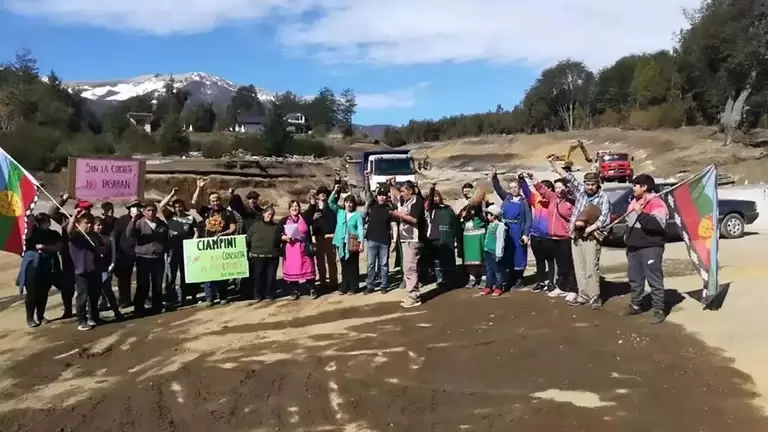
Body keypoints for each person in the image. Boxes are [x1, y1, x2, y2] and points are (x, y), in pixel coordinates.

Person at [549, 157, 611, 309]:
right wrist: (554, 164)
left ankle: (594, 296)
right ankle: (583, 295)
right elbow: (568, 178)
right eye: (587, 184)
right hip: (576, 236)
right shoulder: (581, 193)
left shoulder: (603, 197)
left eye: (593, 184)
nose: (589, 187)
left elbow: (605, 218)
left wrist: (592, 228)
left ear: (598, 184)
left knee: (591, 267)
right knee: (580, 268)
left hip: (591, 236)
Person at [623, 174, 669, 324]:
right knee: (635, 278)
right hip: (633, 246)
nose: (633, 188)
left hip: (650, 247)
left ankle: (658, 310)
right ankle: (635, 304)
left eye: (635, 185)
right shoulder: (634, 201)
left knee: (654, 279)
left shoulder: (657, 203)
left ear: (644, 187)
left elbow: (657, 225)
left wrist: (640, 213)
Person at [192, 178, 238, 306]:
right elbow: (194, 203)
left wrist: (222, 234)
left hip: (222, 247)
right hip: (208, 247)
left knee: (222, 273)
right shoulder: (206, 211)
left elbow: (233, 228)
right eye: (213, 201)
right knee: (208, 273)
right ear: (210, 202)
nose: (215, 202)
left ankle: (223, 296)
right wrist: (199, 188)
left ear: (220, 200)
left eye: (217, 200)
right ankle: (209, 298)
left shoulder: (228, 213)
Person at [529, 176, 576, 299]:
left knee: (569, 265)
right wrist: (534, 181)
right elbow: (543, 190)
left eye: (561, 187)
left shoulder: (571, 201)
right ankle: (561, 287)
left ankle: (572, 289)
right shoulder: (553, 198)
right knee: (560, 265)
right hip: (553, 237)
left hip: (566, 237)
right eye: (556, 187)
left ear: (566, 188)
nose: (558, 189)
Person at [491, 167, 532, 289]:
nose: (514, 189)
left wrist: (525, 234)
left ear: (519, 188)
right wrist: (494, 176)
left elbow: (528, 219)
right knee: (507, 254)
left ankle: (519, 279)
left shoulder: (524, 202)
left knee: (519, 254)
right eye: (512, 187)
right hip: (506, 231)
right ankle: (510, 278)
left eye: (516, 187)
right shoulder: (507, 198)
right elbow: (498, 189)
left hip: (518, 231)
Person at [126, 202, 169, 316]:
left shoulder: (161, 224)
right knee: (143, 284)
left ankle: (157, 306)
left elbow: (167, 239)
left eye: (153, 210)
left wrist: (167, 252)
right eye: (148, 210)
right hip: (143, 258)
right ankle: (139, 307)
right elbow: (129, 234)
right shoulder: (139, 223)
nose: (151, 213)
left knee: (157, 283)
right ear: (144, 212)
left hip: (158, 257)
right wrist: (133, 219)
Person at [20, 213, 62, 327]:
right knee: (32, 292)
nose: (44, 222)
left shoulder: (54, 233)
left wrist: (44, 247)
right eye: (41, 220)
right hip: (33, 266)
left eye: (45, 220)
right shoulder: (32, 233)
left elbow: (58, 247)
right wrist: (29, 223)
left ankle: (40, 316)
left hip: (48, 266)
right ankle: (30, 318)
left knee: (43, 292)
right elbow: (26, 237)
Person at [389, 179, 426, 308]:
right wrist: (390, 184)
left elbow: (414, 219)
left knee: (411, 267)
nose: (402, 193)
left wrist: (398, 214)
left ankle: (414, 296)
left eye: (404, 191)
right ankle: (410, 292)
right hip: (405, 238)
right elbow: (396, 194)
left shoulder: (417, 202)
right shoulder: (405, 200)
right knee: (406, 267)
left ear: (410, 191)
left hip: (414, 238)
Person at [159, 188, 198, 306]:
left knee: (185, 275)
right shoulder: (170, 216)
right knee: (171, 276)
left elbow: (196, 232)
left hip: (187, 251)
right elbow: (161, 206)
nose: (178, 209)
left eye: (180, 206)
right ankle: (171, 298)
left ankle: (185, 297)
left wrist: (192, 244)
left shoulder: (191, 217)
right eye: (175, 207)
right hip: (172, 251)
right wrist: (171, 194)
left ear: (183, 206)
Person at [66, 210, 105, 331]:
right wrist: (74, 216)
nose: (89, 225)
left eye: (91, 223)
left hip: (95, 268)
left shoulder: (94, 235)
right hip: (82, 270)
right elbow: (69, 231)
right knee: (82, 296)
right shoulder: (76, 235)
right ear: (79, 223)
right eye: (86, 223)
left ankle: (93, 316)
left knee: (95, 294)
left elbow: (102, 248)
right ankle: (81, 320)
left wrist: (101, 250)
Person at [519, 174, 554, 292]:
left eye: (543, 188)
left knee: (550, 260)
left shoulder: (553, 201)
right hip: (535, 235)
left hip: (548, 235)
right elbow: (527, 192)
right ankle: (540, 282)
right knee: (539, 260)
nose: (540, 190)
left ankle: (551, 282)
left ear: (549, 190)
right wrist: (521, 180)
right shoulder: (537, 199)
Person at [278, 195, 318, 299]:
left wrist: (313, 201)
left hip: (304, 248)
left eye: (296, 207)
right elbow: (277, 233)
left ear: (299, 208)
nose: (295, 209)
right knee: (292, 270)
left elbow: (311, 210)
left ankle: (312, 288)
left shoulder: (304, 217)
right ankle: (294, 290)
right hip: (290, 250)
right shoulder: (283, 220)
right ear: (289, 209)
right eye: (292, 207)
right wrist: (284, 237)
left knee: (308, 268)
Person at [329, 185, 365, 295]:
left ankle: (353, 287)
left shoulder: (357, 215)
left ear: (354, 204)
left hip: (353, 242)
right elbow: (331, 203)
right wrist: (335, 191)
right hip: (341, 242)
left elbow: (360, 229)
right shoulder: (340, 212)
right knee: (344, 265)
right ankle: (344, 286)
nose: (348, 204)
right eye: (346, 202)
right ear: (344, 203)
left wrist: (361, 243)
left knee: (353, 265)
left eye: (351, 202)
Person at [362, 172, 395, 294]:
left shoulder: (389, 208)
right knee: (370, 264)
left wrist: (391, 185)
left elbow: (393, 225)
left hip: (384, 240)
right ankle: (370, 285)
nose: (382, 197)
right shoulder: (372, 205)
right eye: (380, 195)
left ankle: (384, 285)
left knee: (384, 264)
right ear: (377, 197)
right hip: (372, 239)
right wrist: (367, 178)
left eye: (384, 195)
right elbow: (367, 192)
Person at [47, 193, 79, 319]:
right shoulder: (66, 219)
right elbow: (51, 212)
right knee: (68, 286)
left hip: (83, 257)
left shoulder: (90, 220)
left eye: (87, 209)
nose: (84, 212)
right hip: (68, 257)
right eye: (81, 209)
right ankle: (68, 310)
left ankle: (89, 309)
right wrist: (63, 199)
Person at [425, 182, 458, 289]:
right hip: (436, 238)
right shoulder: (432, 209)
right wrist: (432, 188)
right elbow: (429, 201)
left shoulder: (448, 208)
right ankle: (440, 279)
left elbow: (454, 223)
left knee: (448, 258)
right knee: (438, 260)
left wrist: (455, 236)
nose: (435, 199)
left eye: (436, 196)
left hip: (448, 237)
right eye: (433, 197)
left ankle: (451, 279)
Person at [245, 206, 281, 301]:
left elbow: (281, 238)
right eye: (268, 214)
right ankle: (257, 295)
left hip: (273, 256)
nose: (270, 216)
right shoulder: (255, 225)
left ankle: (269, 294)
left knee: (271, 277)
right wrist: (249, 251)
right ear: (264, 214)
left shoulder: (276, 226)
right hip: (257, 256)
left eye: (272, 214)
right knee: (258, 277)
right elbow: (247, 239)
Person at [112, 199, 143, 308]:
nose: (137, 208)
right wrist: (115, 255)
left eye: (138, 206)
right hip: (125, 252)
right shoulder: (121, 220)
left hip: (141, 251)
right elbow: (115, 237)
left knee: (142, 277)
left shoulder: (144, 218)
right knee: (124, 278)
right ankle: (125, 299)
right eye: (134, 206)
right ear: (129, 209)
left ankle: (141, 298)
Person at [457, 183, 488, 289]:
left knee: (481, 257)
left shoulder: (480, 204)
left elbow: (485, 217)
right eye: (465, 192)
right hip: (467, 235)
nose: (467, 194)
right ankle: (472, 277)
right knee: (470, 259)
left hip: (479, 233)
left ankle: (484, 277)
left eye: (469, 192)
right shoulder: (462, 206)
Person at [93, 216, 123, 321]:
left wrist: (112, 263)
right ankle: (93, 314)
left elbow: (111, 251)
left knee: (107, 290)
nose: (99, 227)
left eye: (100, 225)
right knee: (93, 293)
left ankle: (116, 311)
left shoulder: (107, 238)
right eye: (97, 225)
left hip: (104, 267)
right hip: (92, 268)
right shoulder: (88, 238)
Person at [311, 185, 339, 290]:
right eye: (320, 193)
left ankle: (333, 282)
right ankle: (322, 281)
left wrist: (337, 182)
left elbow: (337, 194)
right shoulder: (314, 207)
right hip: (318, 237)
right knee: (320, 261)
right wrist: (313, 218)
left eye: (324, 193)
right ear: (317, 195)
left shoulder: (331, 205)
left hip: (330, 236)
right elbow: (308, 219)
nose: (322, 194)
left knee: (331, 261)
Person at [481, 205, 506, 297]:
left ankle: (498, 287)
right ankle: (489, 286)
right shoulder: (490, 225)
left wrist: (499, 253)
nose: (487, 216)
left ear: (494, 216)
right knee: (489, 270)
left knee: (497, 270)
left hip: (495, 252)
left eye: (488, 214)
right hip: (487, 251)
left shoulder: (500, 226)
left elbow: (500, 240)